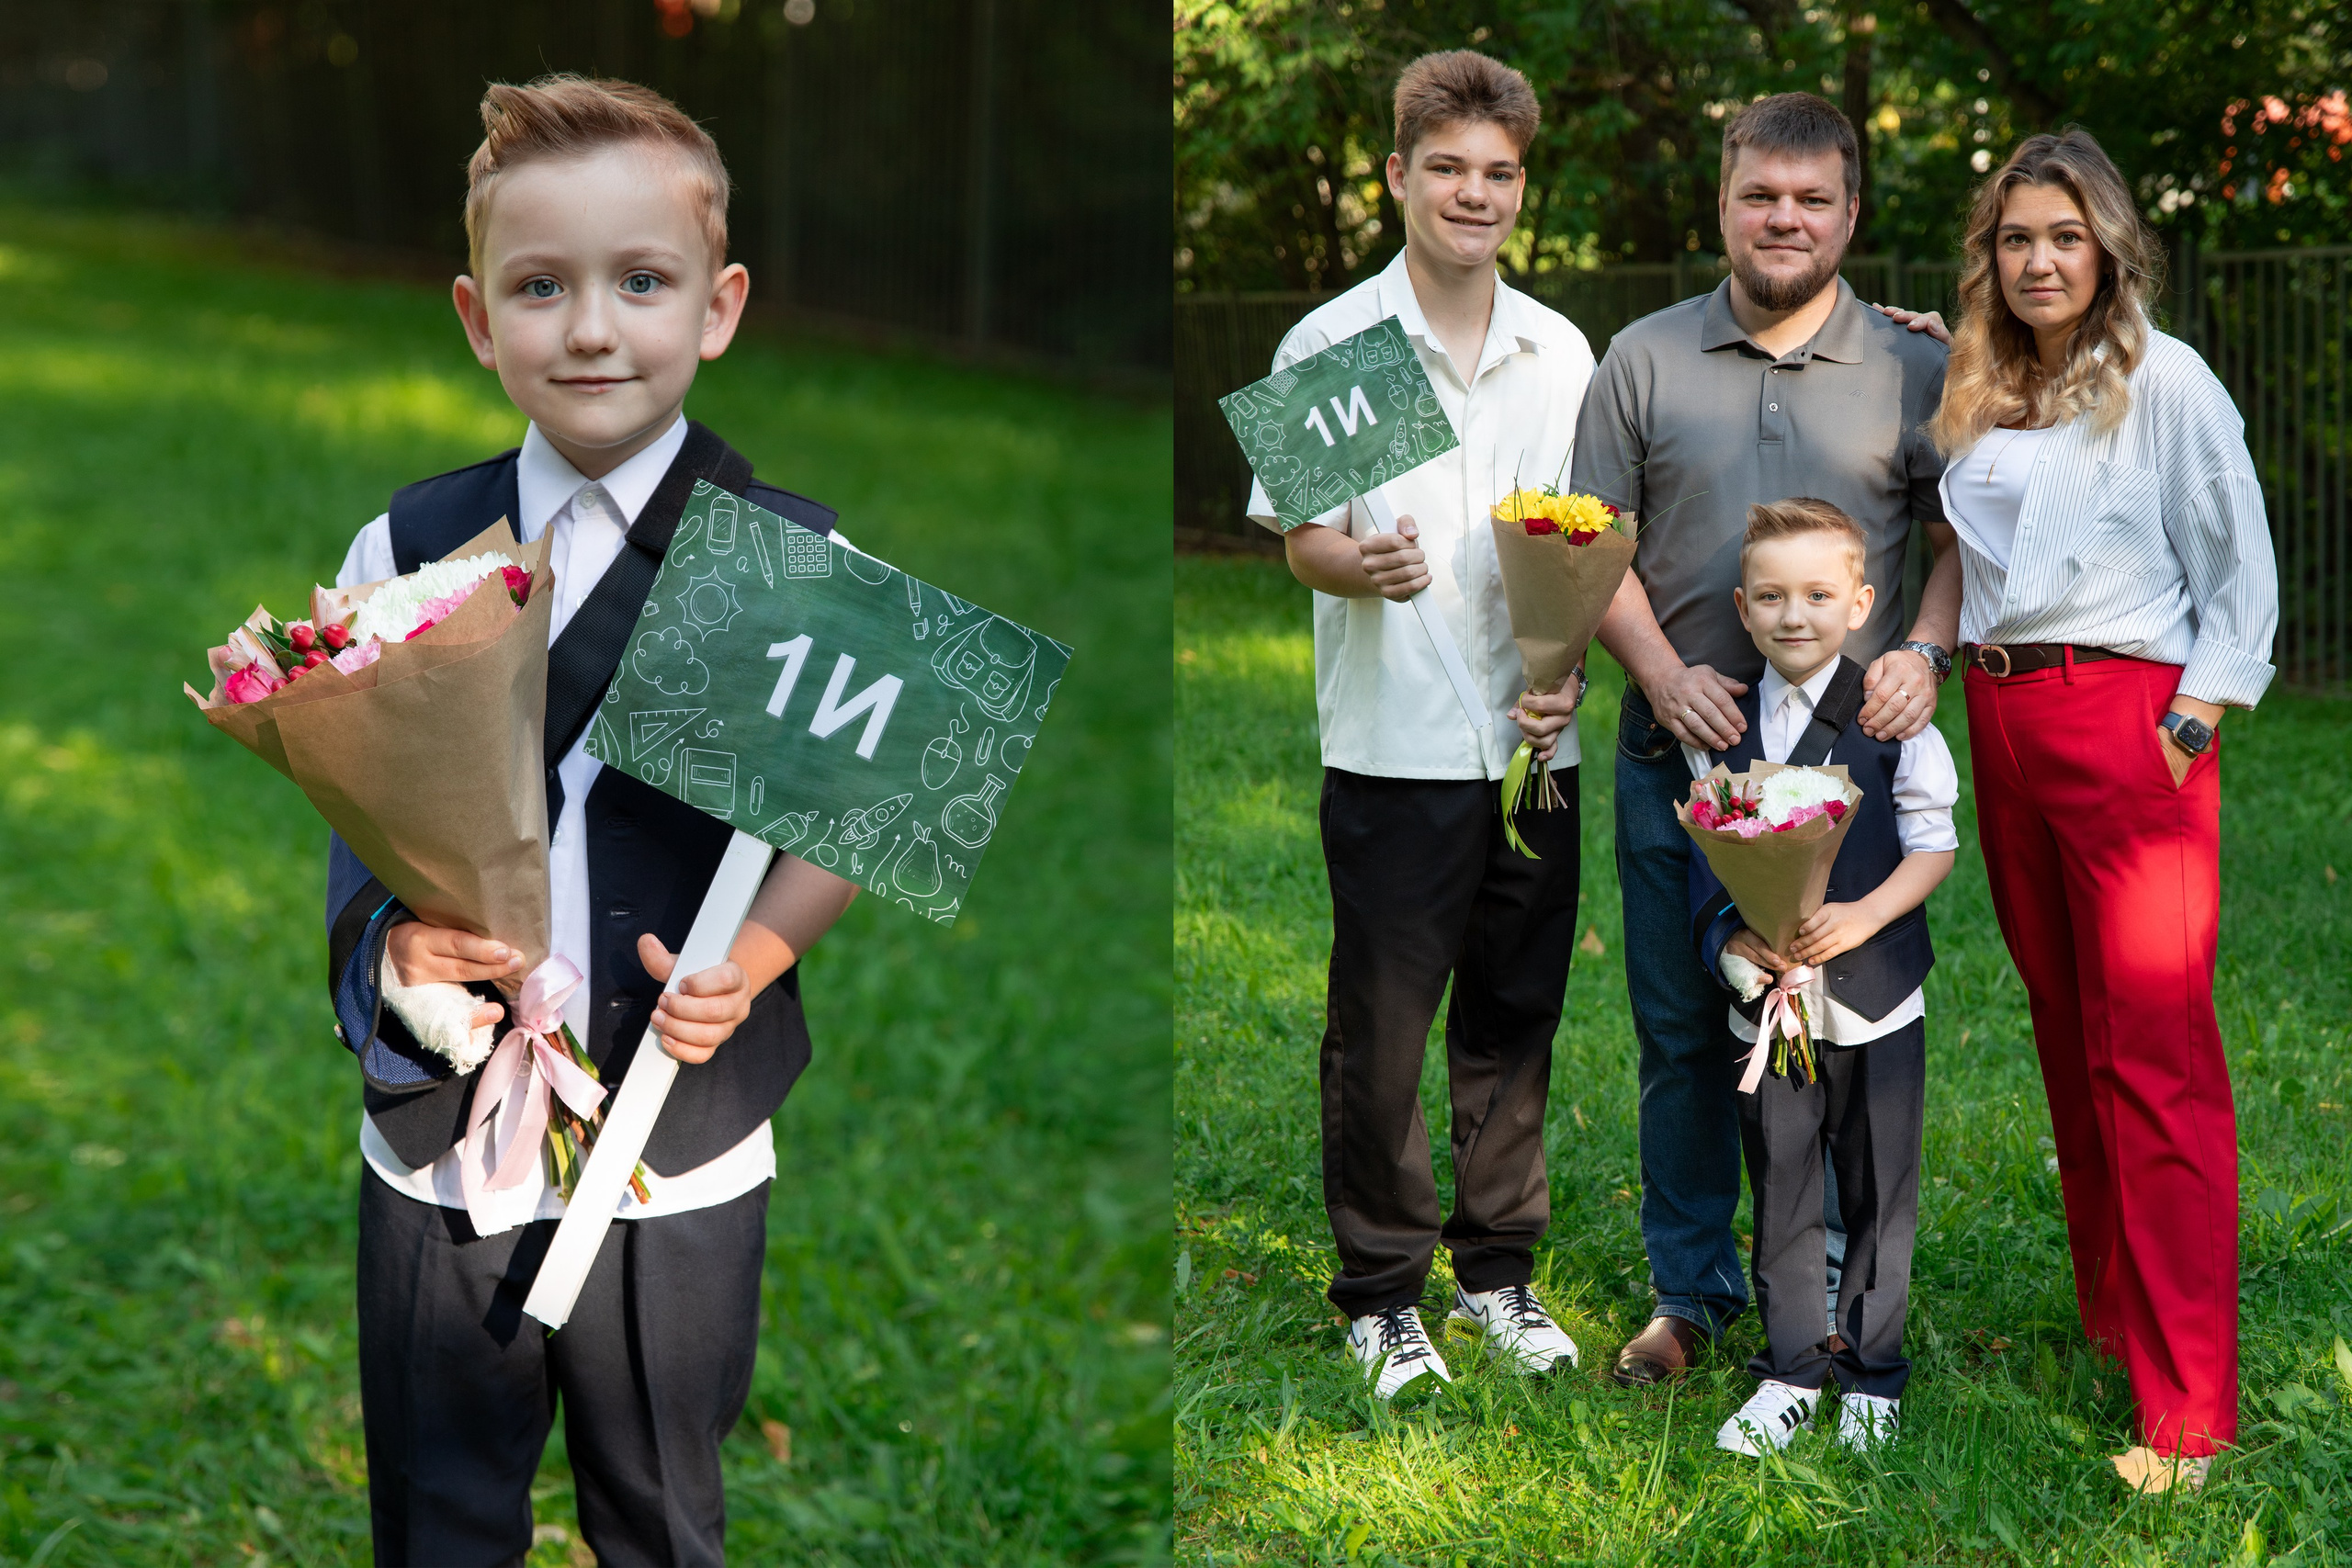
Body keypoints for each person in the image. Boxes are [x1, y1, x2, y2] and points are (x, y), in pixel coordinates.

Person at [322, 76, 860, 1562]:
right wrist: (400, 963)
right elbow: (358, 804)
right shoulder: (409, 540)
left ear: (720, 304)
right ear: (477, 318)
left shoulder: (787, 558)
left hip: (673, 1133)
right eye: (540, 288)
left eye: (641, 282)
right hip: (449, 1133)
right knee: (439, 1498)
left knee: (661, 1503)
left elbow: (847, 809)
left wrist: (750, 962)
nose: (592, 328)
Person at [1518, 91, 1961, 1388]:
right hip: (1681, 763)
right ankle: (1692, 1289)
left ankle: (1822, 1295)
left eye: (1812, 199)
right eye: (1761, 194)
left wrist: (1923, 654)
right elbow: (1589, 541)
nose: (1785, 218)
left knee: (1826, 1027)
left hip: (1841, 779)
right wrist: (1659, 675)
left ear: (1851, 213)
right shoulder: (1642, 358)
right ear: (1723, 202)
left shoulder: (1915, 366)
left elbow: (1957, 550)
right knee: (1680, 1031)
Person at [1932, 130, 2276, 1495]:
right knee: (2072, 1033)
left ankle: (2191, 1413)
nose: (2038, 259)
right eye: (2016, 237)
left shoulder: (2164, 379)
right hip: (2005, 718)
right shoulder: (1977, 381)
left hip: (2129, 717)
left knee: (2157, 1052)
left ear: (2109, 243)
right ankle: (2114, 1318)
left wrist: (2195, 717)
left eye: (2063, 236)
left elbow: (2236, 551)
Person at [1247, 50, 1592, 1399]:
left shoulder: (1559, 350)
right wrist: (1360, 564)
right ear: (1396, 175)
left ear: (1522, 187)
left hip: (1529, 746)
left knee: (1515, 1012)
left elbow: (1580, 540)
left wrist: (1565, 668)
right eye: (1446, 167)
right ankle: (1381, 1293)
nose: (1473, 192)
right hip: (1391, 747)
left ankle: (1499, 1274)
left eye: (1498, 172)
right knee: (1383, 1029)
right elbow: (1300, 546)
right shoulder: (1331, 345)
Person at [1680, 499, 1956, 1456]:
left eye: (1816, 595)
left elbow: (1932, 843)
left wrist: (1865, 915)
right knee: (1784, 1187)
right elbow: (1702, 862)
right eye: (1770, 597)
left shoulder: (1891, 716)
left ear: (1858, 602)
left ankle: (1871, 1372)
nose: (1793, 614)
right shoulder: (1719, 723)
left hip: (1876, 998)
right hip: (1767, 1011)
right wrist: (1733, 945)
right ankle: (1793, 1366)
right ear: (1742, 608)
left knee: (1878, 1186)